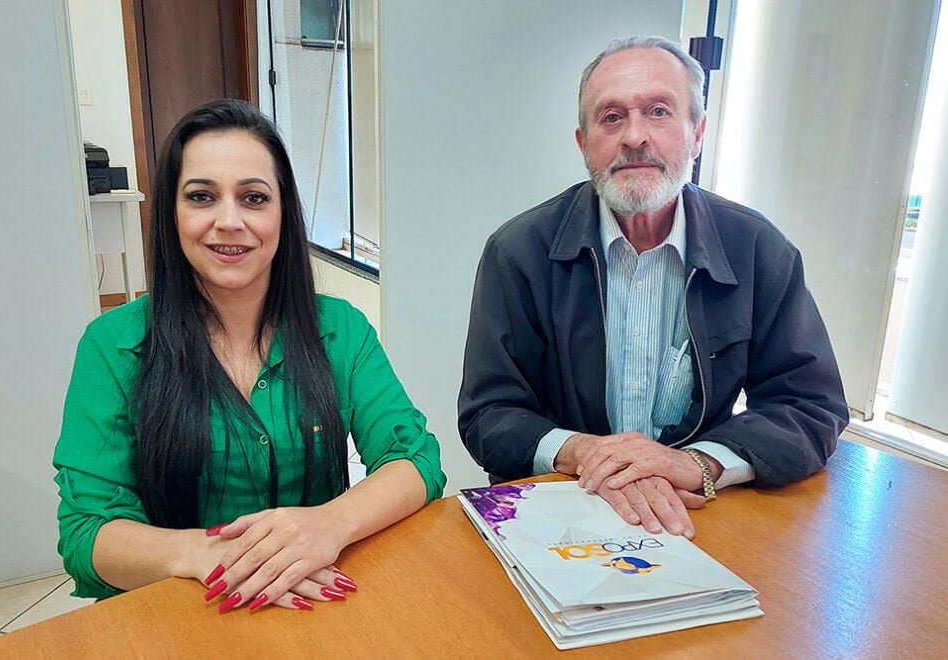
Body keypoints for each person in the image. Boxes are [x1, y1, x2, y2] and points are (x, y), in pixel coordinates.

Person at [54, 99, 445, 613]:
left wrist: (330, 523)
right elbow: (87, 532)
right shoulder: (113, 345)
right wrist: (207, 554)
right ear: (172, 213)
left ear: (284, 212)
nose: (229, 221)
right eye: (201, 196)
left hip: (315, 609)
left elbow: (416, 461)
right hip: (179, 613)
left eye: (254, 197)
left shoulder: (341, 329)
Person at [458, 36, 848, 540]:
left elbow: (809, 404)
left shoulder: (755, 248)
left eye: (659, 112)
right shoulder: (519, 252)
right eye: (611, 117)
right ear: (583, 143)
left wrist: (697, 462)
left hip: (695, 509)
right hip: (560, 508)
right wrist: (588, 454)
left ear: (697, 133)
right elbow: (488, 414)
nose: (635, 137)